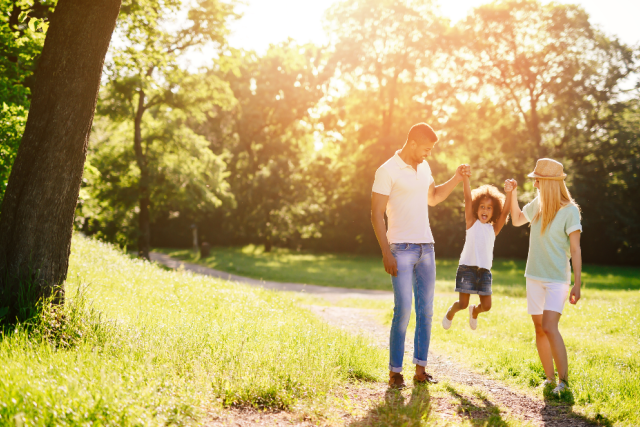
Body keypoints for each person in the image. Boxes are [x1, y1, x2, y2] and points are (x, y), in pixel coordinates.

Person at [371, 122, 470, 389]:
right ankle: (395, 373)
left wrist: (457, 178)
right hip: (400, 250)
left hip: (427, 248)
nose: (428, 154)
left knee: (425, 312)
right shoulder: (386, 171)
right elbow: (376, 214)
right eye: (426, 148)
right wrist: (385, 252)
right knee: (403, 311)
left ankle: (420, 369)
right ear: (412, 143)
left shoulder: (424, 167)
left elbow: (435, 197)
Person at [507, 158, 582, 395]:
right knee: (539, 328)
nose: (535, 183)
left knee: (550, 327)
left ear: (549, 182)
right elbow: (518, 219)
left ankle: (563, 382)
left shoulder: (570, 211)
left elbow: (576, 249)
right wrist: (512, 194)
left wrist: (577, 284)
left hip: (557, 279)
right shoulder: (538, 204)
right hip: (534, 276)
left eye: (538, 180)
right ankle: (549, 379)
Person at [442, 176, 513, 331]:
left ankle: (475, 311)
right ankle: (451, 312)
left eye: (489, 207)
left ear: (494, 211)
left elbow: (506, 211)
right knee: (462, 304)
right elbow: (468, 198)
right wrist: (465, 179)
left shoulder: (493, 229)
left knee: (487, 306)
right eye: (482, 206)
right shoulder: (471, 223)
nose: (485, 210)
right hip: (467, 268)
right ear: (476, 208)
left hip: (484, 271)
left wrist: (510, 192)